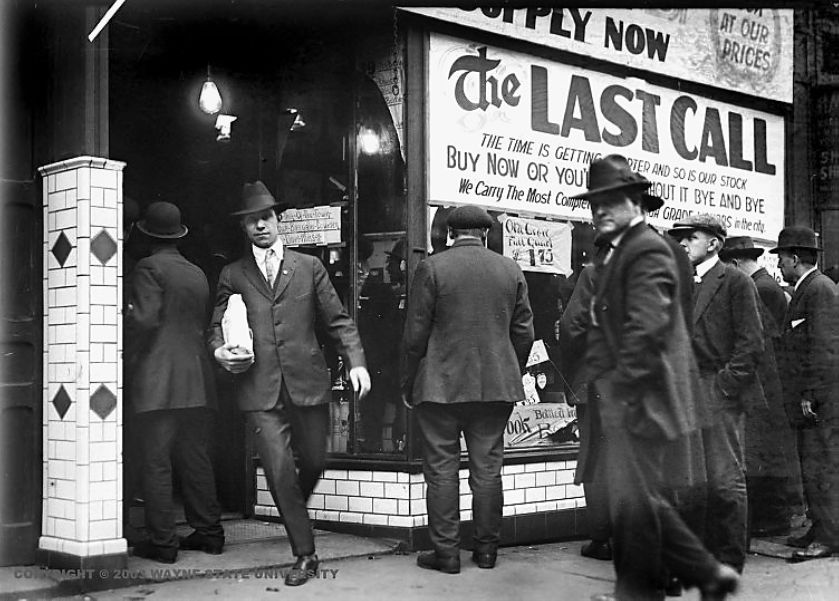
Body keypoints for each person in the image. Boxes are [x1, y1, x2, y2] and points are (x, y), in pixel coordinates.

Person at [577, 156, 738, 601]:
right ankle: (689, 577)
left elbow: (646, 328)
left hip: (643, 396)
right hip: (642, 393)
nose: (600, 212)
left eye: (610, 202)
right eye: (594, 205)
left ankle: (685, 578)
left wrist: (620, 390)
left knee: (636, 497)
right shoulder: (626, 249)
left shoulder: (646, 248)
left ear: (635, 202)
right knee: (636, 497)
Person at [209, 181, 371, 586]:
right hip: (259, 389)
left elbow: (337, 320)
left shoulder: (309, 267)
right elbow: (216, 327)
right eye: (251, 221)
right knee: (279, 470)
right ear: (244, 228)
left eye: (265, 217)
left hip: (307, 383)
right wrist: (219, 351)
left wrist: (356, 361)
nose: (260, 226)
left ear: (277, 220)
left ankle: (292, 508)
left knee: (315, 460)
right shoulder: (233, 273)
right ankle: (305, 553)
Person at [401, 205, 534, 574]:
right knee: (488, 469)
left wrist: (408, 381)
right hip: (495, 387)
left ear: (449, 233)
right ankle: (487, 551)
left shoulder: (432, 268)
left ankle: (445, 554)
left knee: (442, 470)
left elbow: (415, 336)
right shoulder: (510, 269)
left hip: (440, 387)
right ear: (486, 234)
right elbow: (524, 333)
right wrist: (509, 370)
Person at [125, 201, 224, 564]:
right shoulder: (196, 272)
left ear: (146, 234)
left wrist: (128, 353)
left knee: (156, 461)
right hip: (197, 380)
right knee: (195, 457)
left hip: (158, 381)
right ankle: (210, 533)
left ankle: (163, 542)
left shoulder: (147, 267)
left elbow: (147, 321)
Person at [668, 215, 764, 574]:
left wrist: (724, 384)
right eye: (679, 238)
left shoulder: (735, 281)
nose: (682, 244)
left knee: (726, 480)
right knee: (691, 481)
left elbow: (751, 344)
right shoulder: (681, 283)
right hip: (685, 391)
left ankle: (729, 559)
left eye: (690, 237)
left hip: (719, 391)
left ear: (714, 244)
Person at [719, 236, 802, 538]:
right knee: (766, 451)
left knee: (765, 452)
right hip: (768, 382)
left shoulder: (758, 289)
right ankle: (773, 516)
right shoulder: (764, 285)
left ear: (736, 264)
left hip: (765, 383)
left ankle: (773, 518)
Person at [770, 225, 839, 562]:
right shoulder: (807, 288)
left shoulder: (819, 290)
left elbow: (825, 348)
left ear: (794, 258)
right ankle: (820, 525)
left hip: (822, 400)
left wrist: (811, 393)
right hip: (811, 399)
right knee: (811, 464)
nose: (779, 265)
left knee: (822, 465)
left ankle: (829, 535)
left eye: (781, 258)